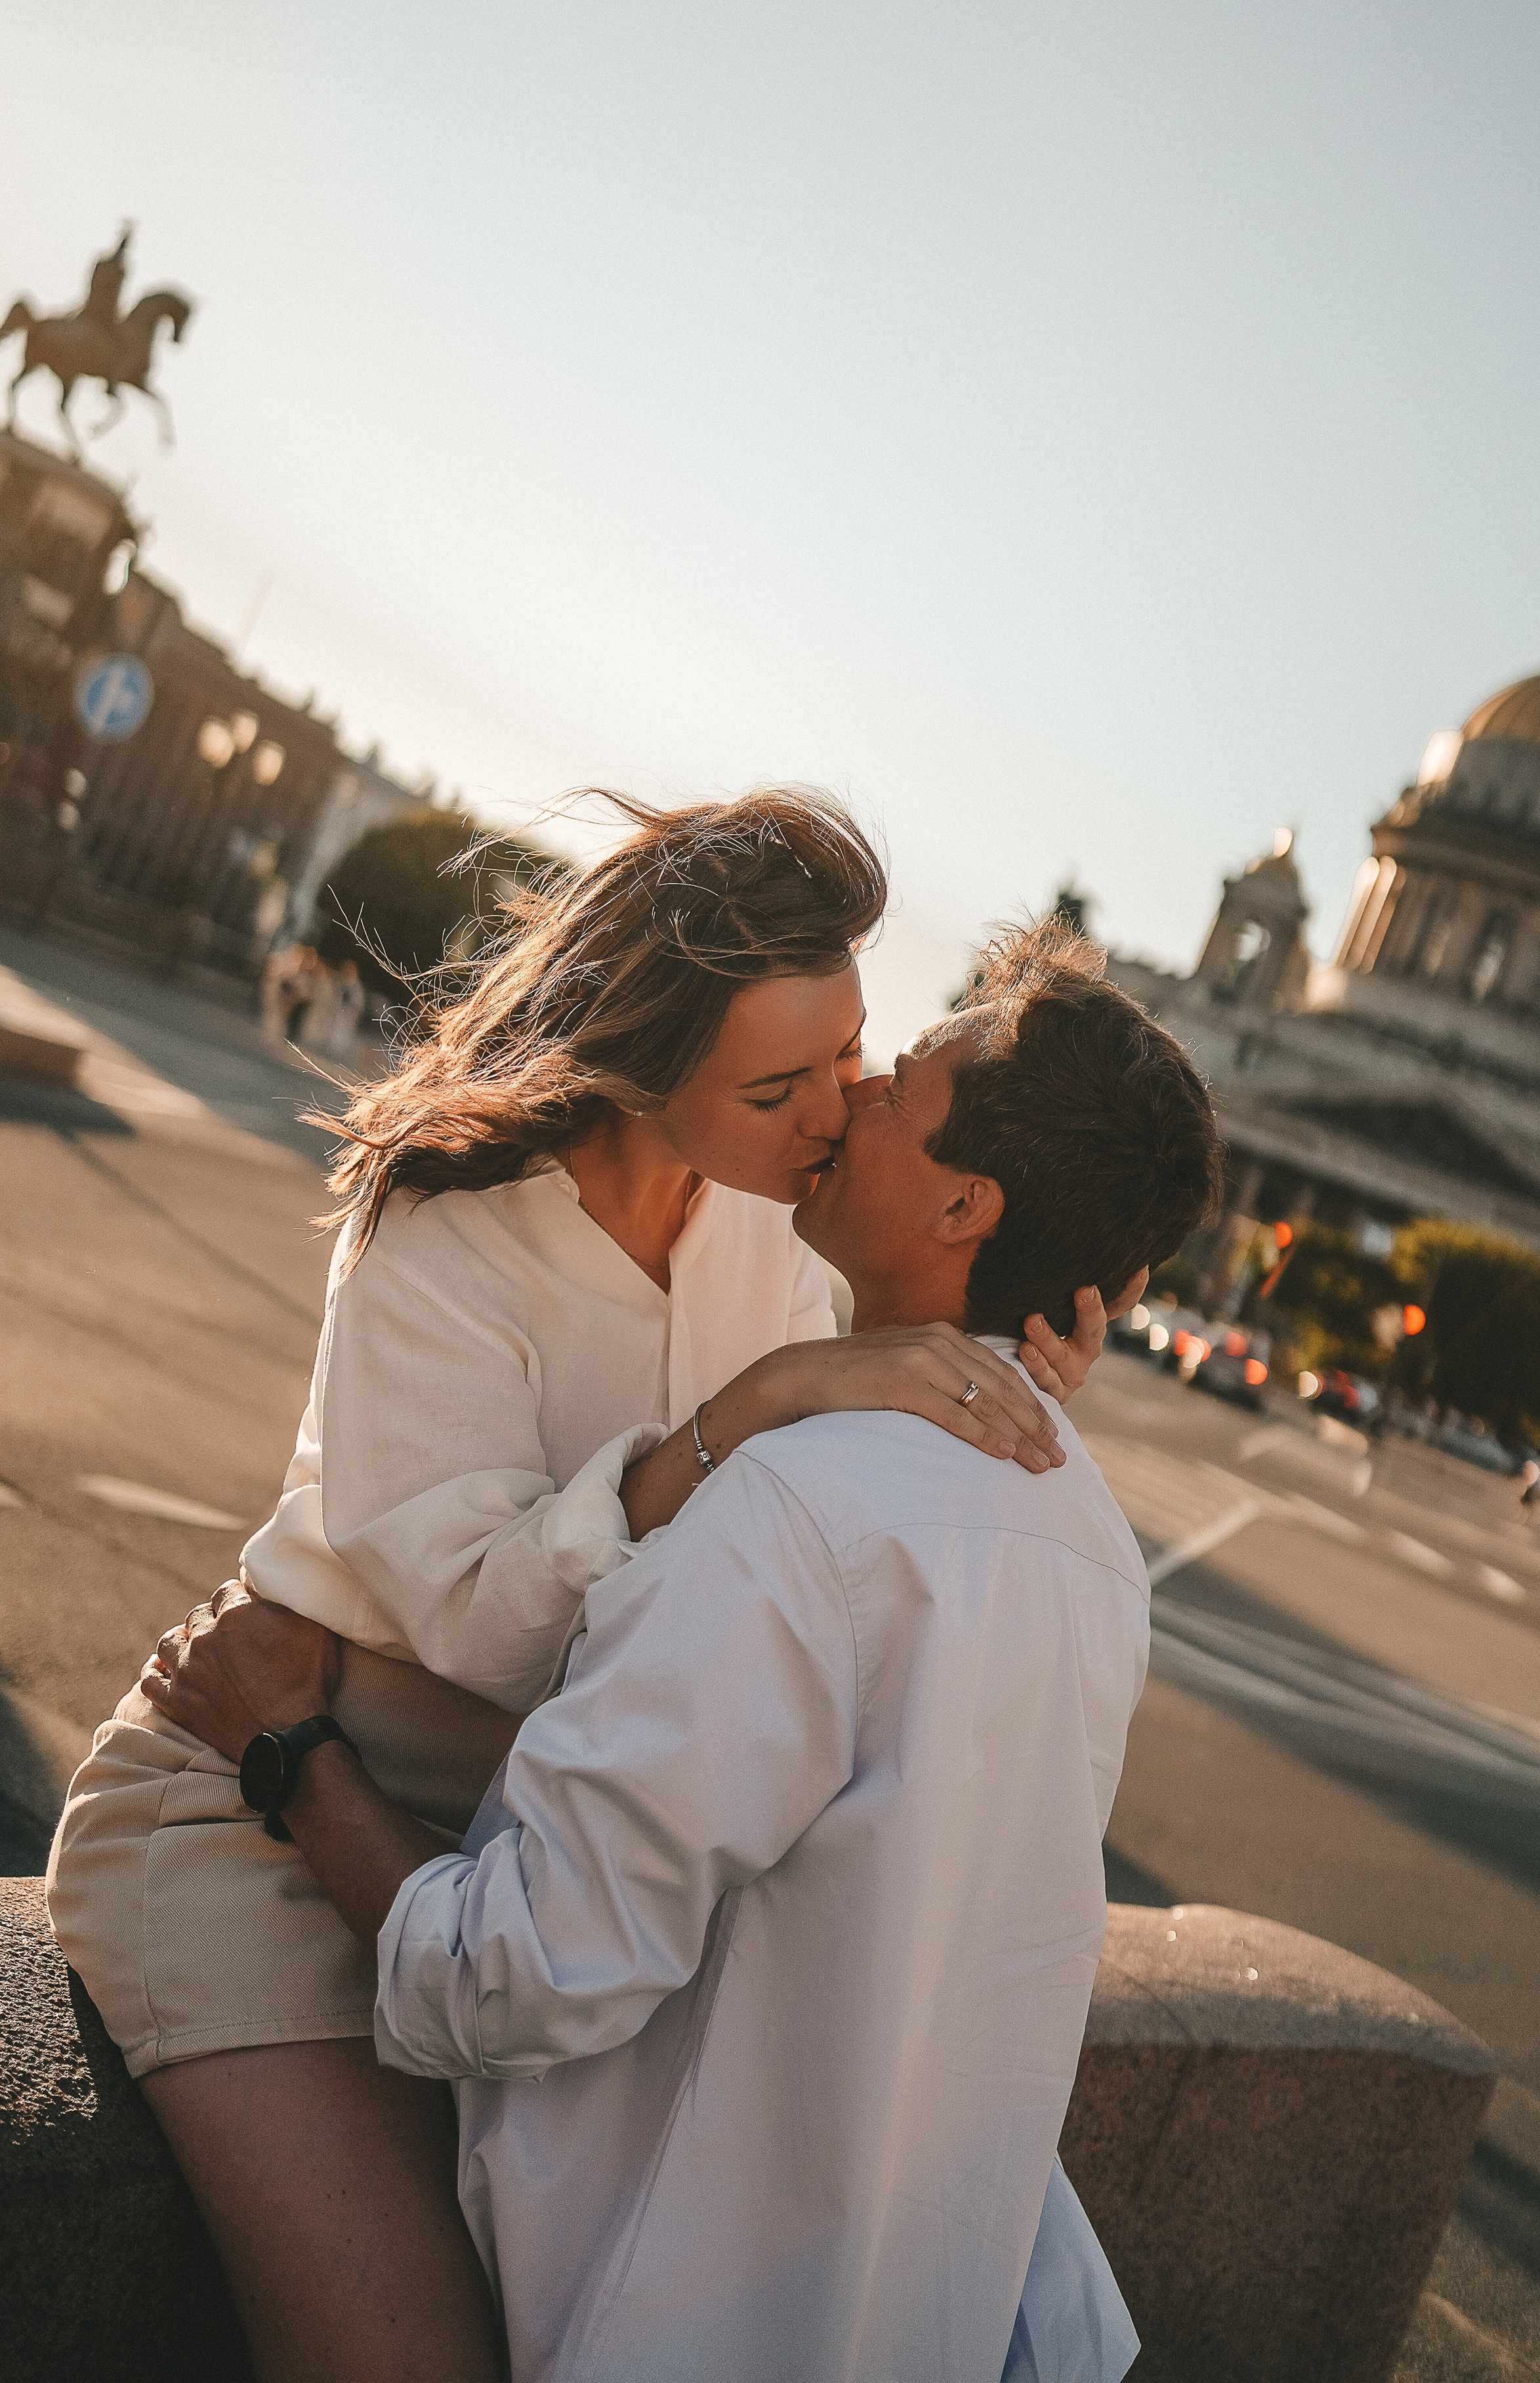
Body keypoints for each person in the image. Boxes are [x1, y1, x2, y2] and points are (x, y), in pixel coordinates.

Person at [47, 791, 1117, 2383]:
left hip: (536, 1863)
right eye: (778, 1086)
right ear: (635, 1068)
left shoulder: (783, 1233)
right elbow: (488, 1628)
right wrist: (751, 1408)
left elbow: (841, 1498)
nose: (835, 1111)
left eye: (847, 1055)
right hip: (267, 1802)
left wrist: (1002, 1364)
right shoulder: (444, 1235)